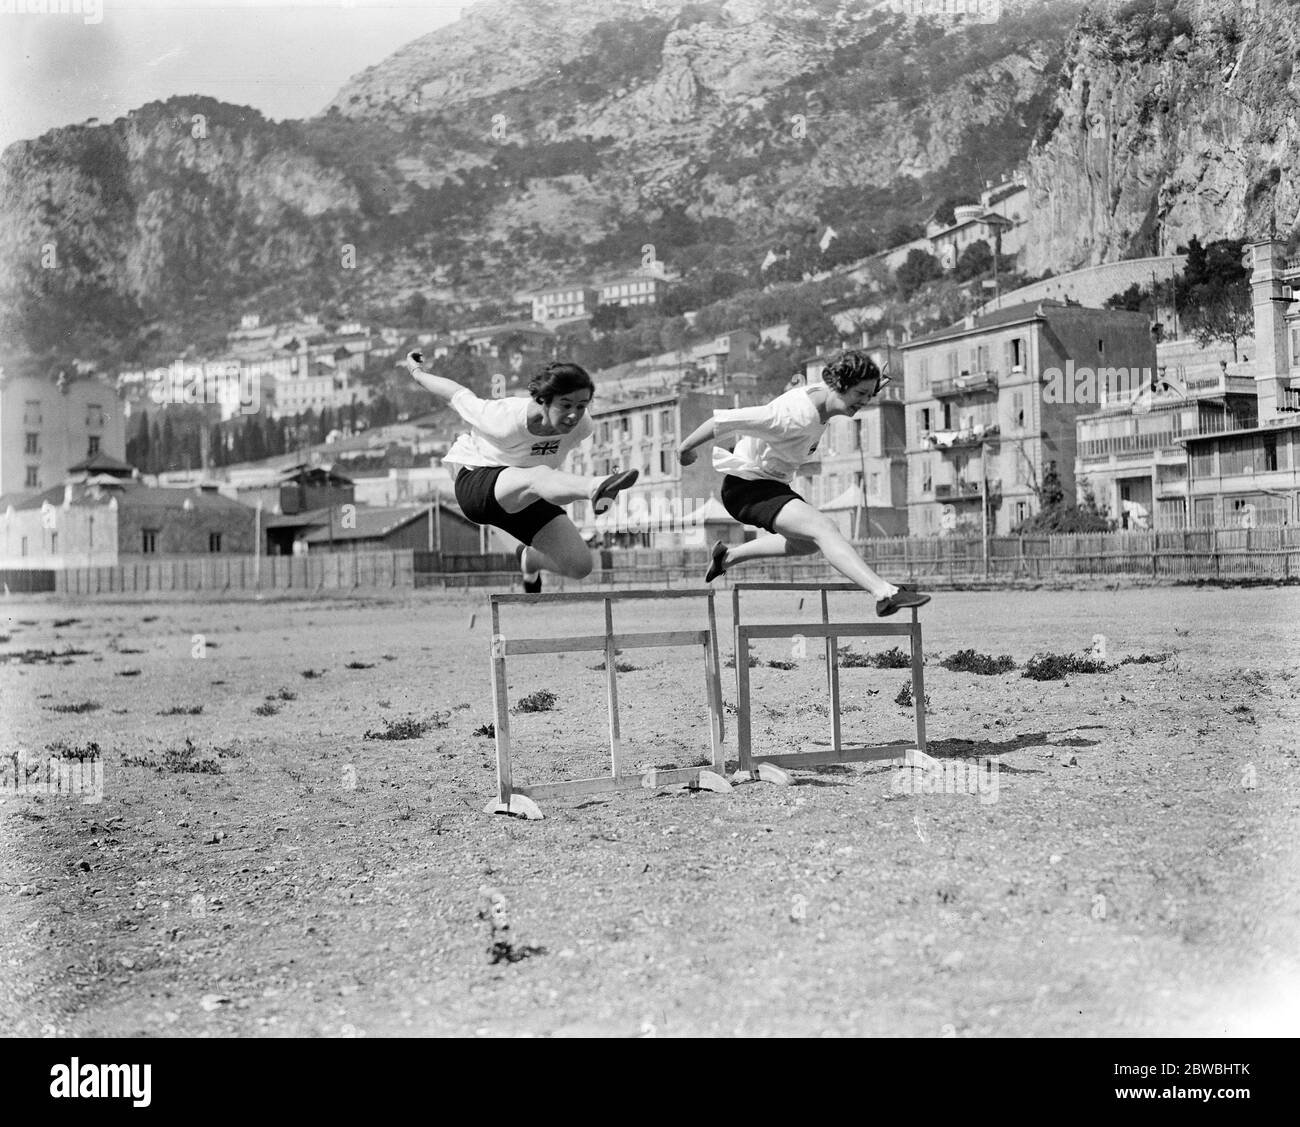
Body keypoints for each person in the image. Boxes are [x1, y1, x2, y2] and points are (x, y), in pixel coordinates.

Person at [677, 349, 929, 617]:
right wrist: (684, 450)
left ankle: (727, 558)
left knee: (807, 543)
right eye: (860, 394)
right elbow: (722, 420)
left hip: (773, 485)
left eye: (870, 395)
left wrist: (871, 385)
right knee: (825, 528)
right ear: (840, 387)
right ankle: (885, 594)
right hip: (746, 488)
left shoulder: (826, 394)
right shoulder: (788, 417)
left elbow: (824, 387)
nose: (865, 402)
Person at [399, 351, 636, 593]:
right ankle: (596, 487)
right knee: (537, 474)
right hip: (478, 486)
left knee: (579, 565)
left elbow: (550, 487)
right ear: (544, 400)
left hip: (527, 491)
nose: (574, 415)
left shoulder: (582, 426)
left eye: (581, 406)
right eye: (565, 405)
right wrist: (418, 374)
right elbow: (456, 394)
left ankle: (530, 559)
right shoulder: (505, 419)